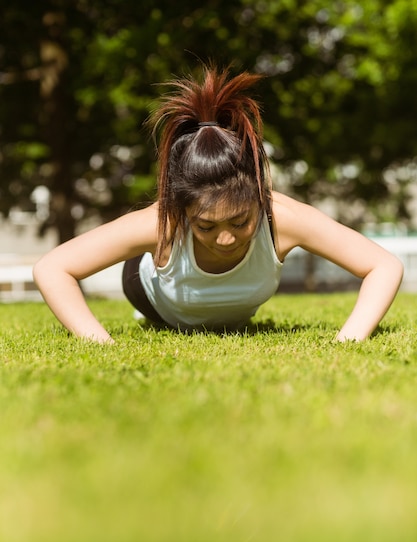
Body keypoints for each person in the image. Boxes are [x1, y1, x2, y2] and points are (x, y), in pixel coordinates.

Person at [33, 65, 403, 344]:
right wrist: (101, 346)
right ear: (182, 210)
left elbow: (382, 266)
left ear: (260, 198)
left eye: (240, 223)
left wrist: (347, 342)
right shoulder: (161, 223)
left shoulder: (283, 219)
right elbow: (53, 269)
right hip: (153, 294)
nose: (225, 239)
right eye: (206, 226)